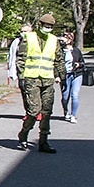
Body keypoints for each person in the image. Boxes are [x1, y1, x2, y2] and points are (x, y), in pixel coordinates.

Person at [16, 14, 65, 153]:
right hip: (32, 79)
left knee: (47, 111)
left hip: (48, 79)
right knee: (33, 111)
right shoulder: (29, 37)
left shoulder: (54, 40)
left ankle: (43, 141)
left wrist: (63, 76)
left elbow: (59, 59)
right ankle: (24, 133)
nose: (48, 29)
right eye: (46, 26)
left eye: (50, 27)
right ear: (39, 25)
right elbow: (20, 59)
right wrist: (22, 77)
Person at [60, 31, 85, 123]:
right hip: (64, 76)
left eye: (64, 39)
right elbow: (55, 64)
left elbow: (82, 62)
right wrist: (57, 76)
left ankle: (73, 115)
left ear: (70, 40)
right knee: (65, 96)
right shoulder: (59, 52)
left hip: (76, 75)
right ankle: (66, 112)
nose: (62, 41)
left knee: (75, 95)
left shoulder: (76, 51)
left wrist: (78, 64)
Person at [7, 24, 31, 111]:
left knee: (33, 93)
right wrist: (12, 71)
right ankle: (28, 111)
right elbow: (12, 56)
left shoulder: (35, 41)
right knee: (24, 90)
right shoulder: (17, 42)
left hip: (33, 71)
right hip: (21, 71)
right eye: (21, 31)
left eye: (25, 31)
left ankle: (36, 111)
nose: (23, 33)